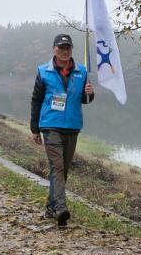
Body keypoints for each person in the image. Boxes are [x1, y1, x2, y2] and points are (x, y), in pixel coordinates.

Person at [29, 33, 95, 227]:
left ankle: (50, 207)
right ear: (54, 49)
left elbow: (85, 100)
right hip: (50, 125)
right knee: (57, 167)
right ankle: (61, 208)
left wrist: (90, 93)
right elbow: (36, 100)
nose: (65, 51)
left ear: (72, 49)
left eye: (68, 48)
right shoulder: (43, 71)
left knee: (63, 169)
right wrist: (34, 128)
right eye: (61, 48)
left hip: (73, 126)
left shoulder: (81, 71)